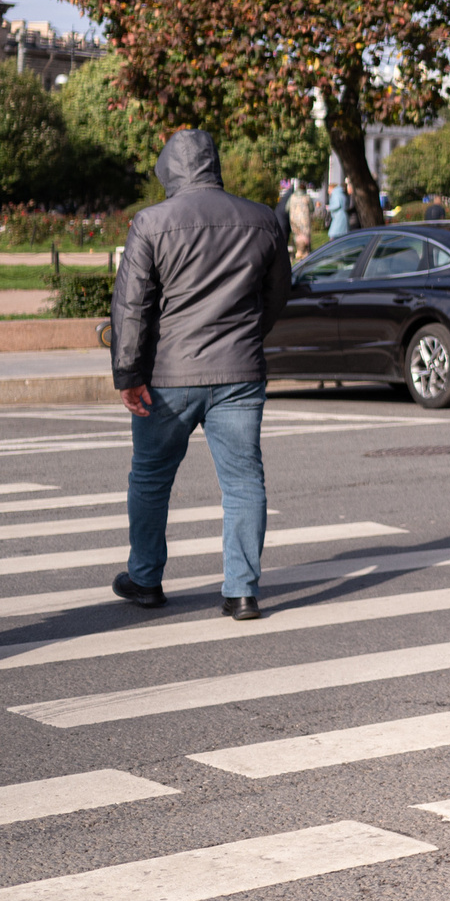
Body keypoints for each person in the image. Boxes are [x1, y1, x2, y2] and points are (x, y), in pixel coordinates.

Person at [108, 131, 294, 621]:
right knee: (243, 481)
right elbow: (277, 296)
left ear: (169, 169)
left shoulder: (151, 223)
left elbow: (131, 307)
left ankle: (145, 579)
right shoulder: (262, 219)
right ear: (213, 164)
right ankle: (242, 592)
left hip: (168, 375)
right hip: (240, 372)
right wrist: (247, 337)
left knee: (150, 477)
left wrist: (128, 373)